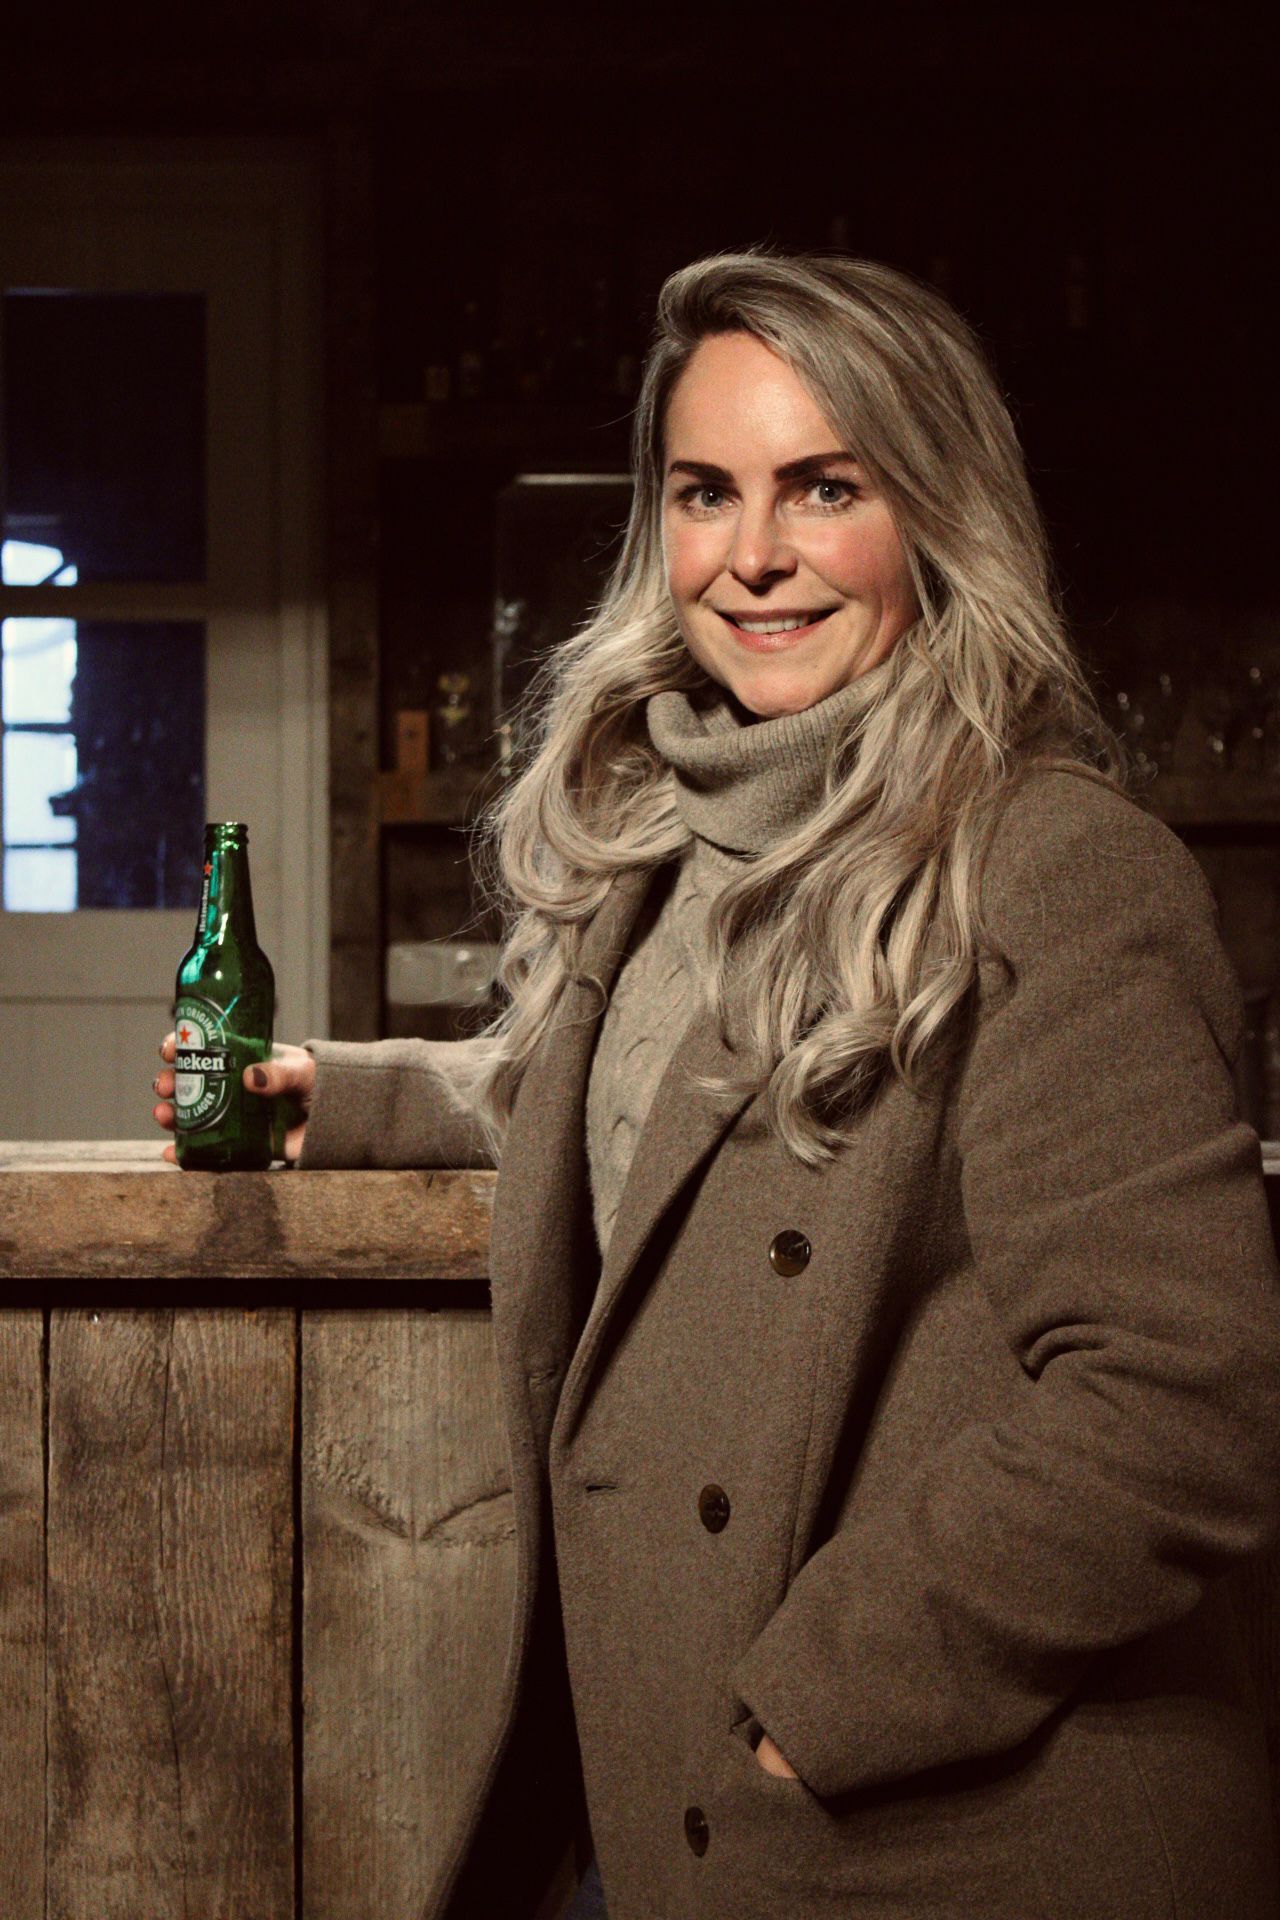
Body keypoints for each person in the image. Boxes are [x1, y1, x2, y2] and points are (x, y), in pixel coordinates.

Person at [154, 249, 1280, 1920]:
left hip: (947, 1830)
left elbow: (1184, 1399)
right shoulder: (674, 846)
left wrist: (815, 1707)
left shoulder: (1052, 864)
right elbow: (661, 1109)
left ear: (940, 514)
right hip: (670, 1783)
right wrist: (357, 1096)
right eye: (705, 492)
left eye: (825, 487)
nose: (753, 555)